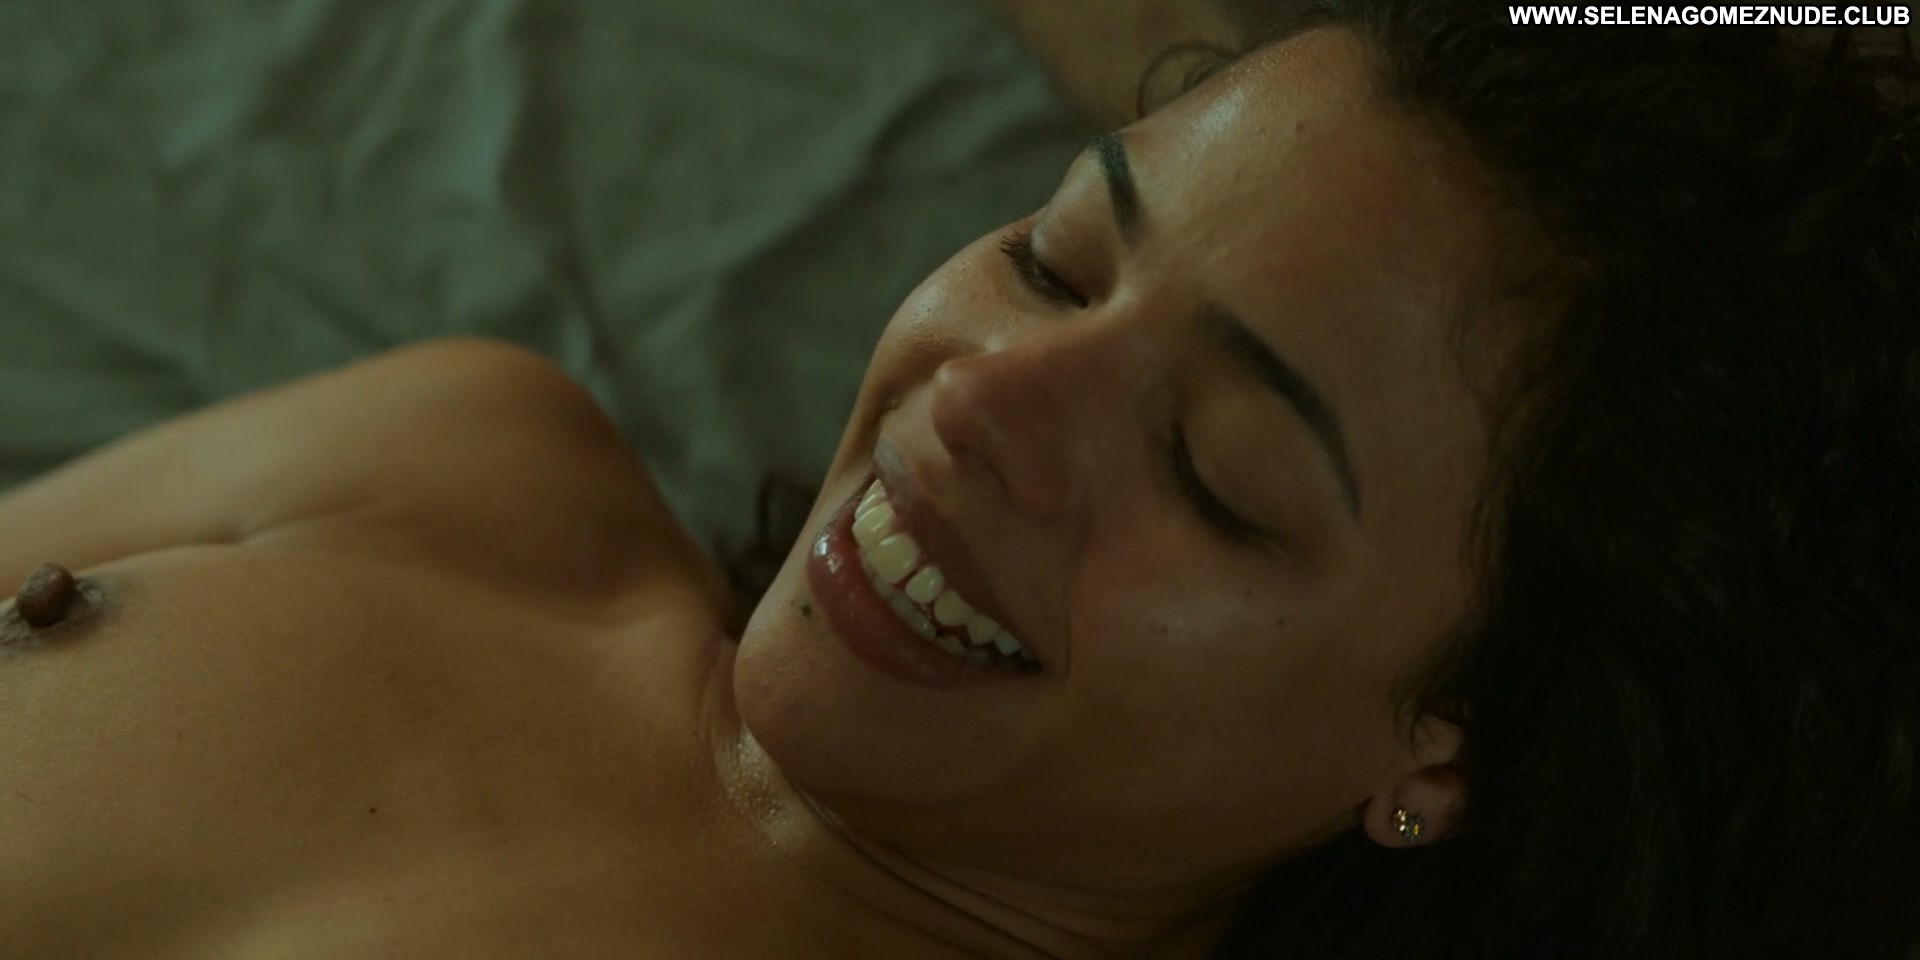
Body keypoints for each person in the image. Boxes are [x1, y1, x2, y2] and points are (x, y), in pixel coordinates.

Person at [1, 1, 1914, 957]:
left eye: (1215, 470)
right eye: (1055, 263)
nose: (987, 392)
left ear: (1450, 748)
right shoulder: (455, 464)